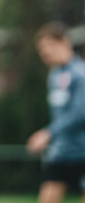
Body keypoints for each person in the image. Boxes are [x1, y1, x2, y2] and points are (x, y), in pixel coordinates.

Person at [27, 22, 85, 203]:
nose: (45, 52)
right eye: (41, 49)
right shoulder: (54, 75)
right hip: (61, 153)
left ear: (64, 42)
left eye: (49, 46)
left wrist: (48, 133)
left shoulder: (80, 74)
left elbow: (80, 113)